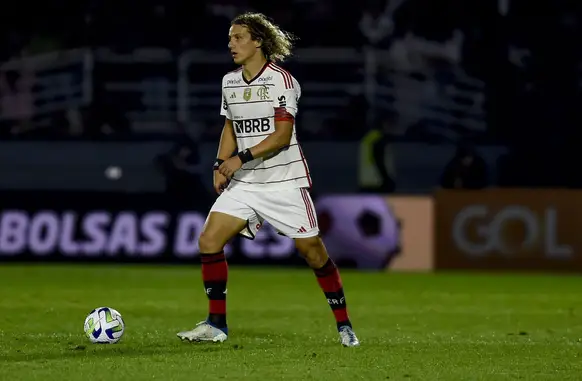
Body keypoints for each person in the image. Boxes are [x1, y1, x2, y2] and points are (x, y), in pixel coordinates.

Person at [176, 12, 359, 347]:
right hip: (246, 184)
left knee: (312, 252)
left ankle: (344, 324)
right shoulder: (229, 82)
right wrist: (220, 163)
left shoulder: (282, 81)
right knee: (209, 241)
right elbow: (230, 126)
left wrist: (238, 159)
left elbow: (281, 137)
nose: (231, 44)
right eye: (230, 38)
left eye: (238, 37)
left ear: (258, 41)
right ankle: (216, 324)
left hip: (284, 181)